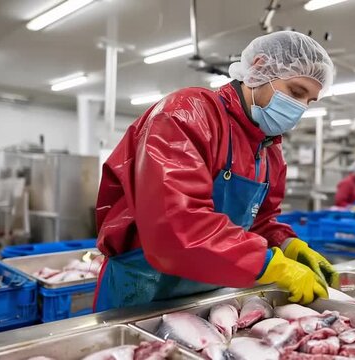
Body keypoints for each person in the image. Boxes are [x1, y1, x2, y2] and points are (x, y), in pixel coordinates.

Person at [93, 31, 337, 312]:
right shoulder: (186, 114)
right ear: (259, 68)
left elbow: (256, 222)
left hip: (209, 292)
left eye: (309, 101)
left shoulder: (269, 149)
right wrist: (270, 264)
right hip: (140, 289)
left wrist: (287, 244)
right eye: (296, 92)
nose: (300, 108)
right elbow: (175, 227)